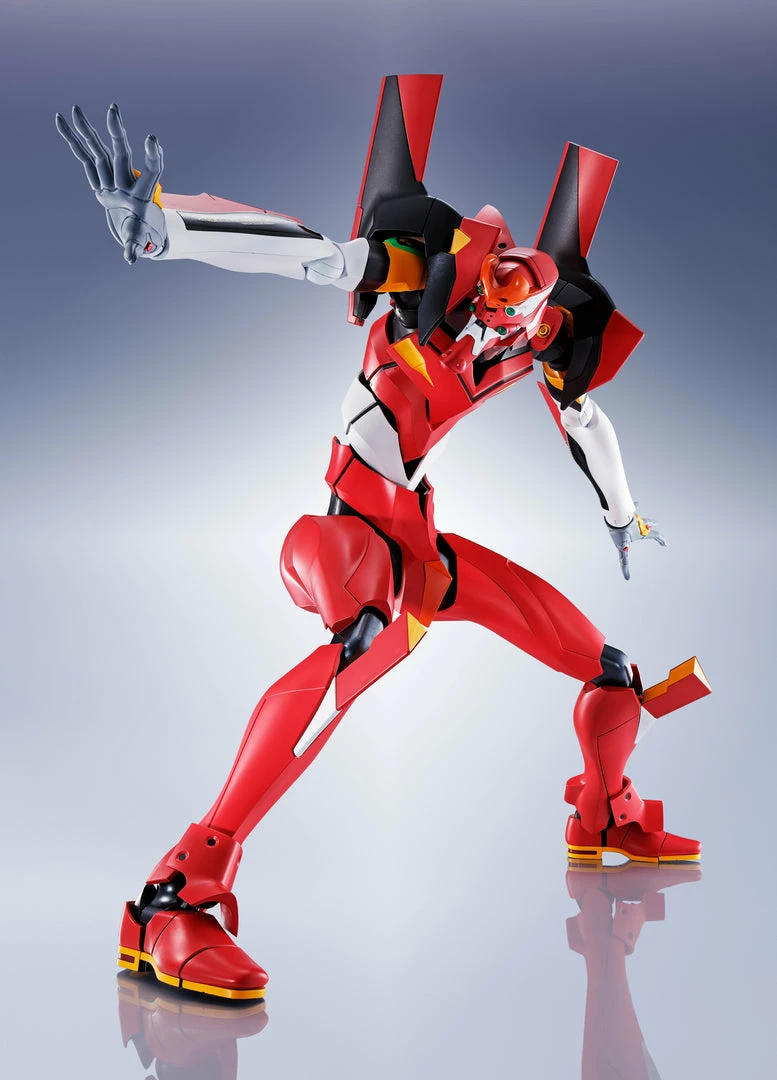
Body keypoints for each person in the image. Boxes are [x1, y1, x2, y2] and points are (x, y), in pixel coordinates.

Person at [56, 76, 708, 1002]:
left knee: (608, 670)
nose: (491, 329)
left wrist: (619, 514)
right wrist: (170, 230)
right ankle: (171, 899)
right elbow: (315, 256)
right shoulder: (421, 283)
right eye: (489, 304)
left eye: (515, 320)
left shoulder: (536, 337)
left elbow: (584, 419)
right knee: (357, 649)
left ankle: (604, 817)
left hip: (419, 547)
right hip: (348, 535)